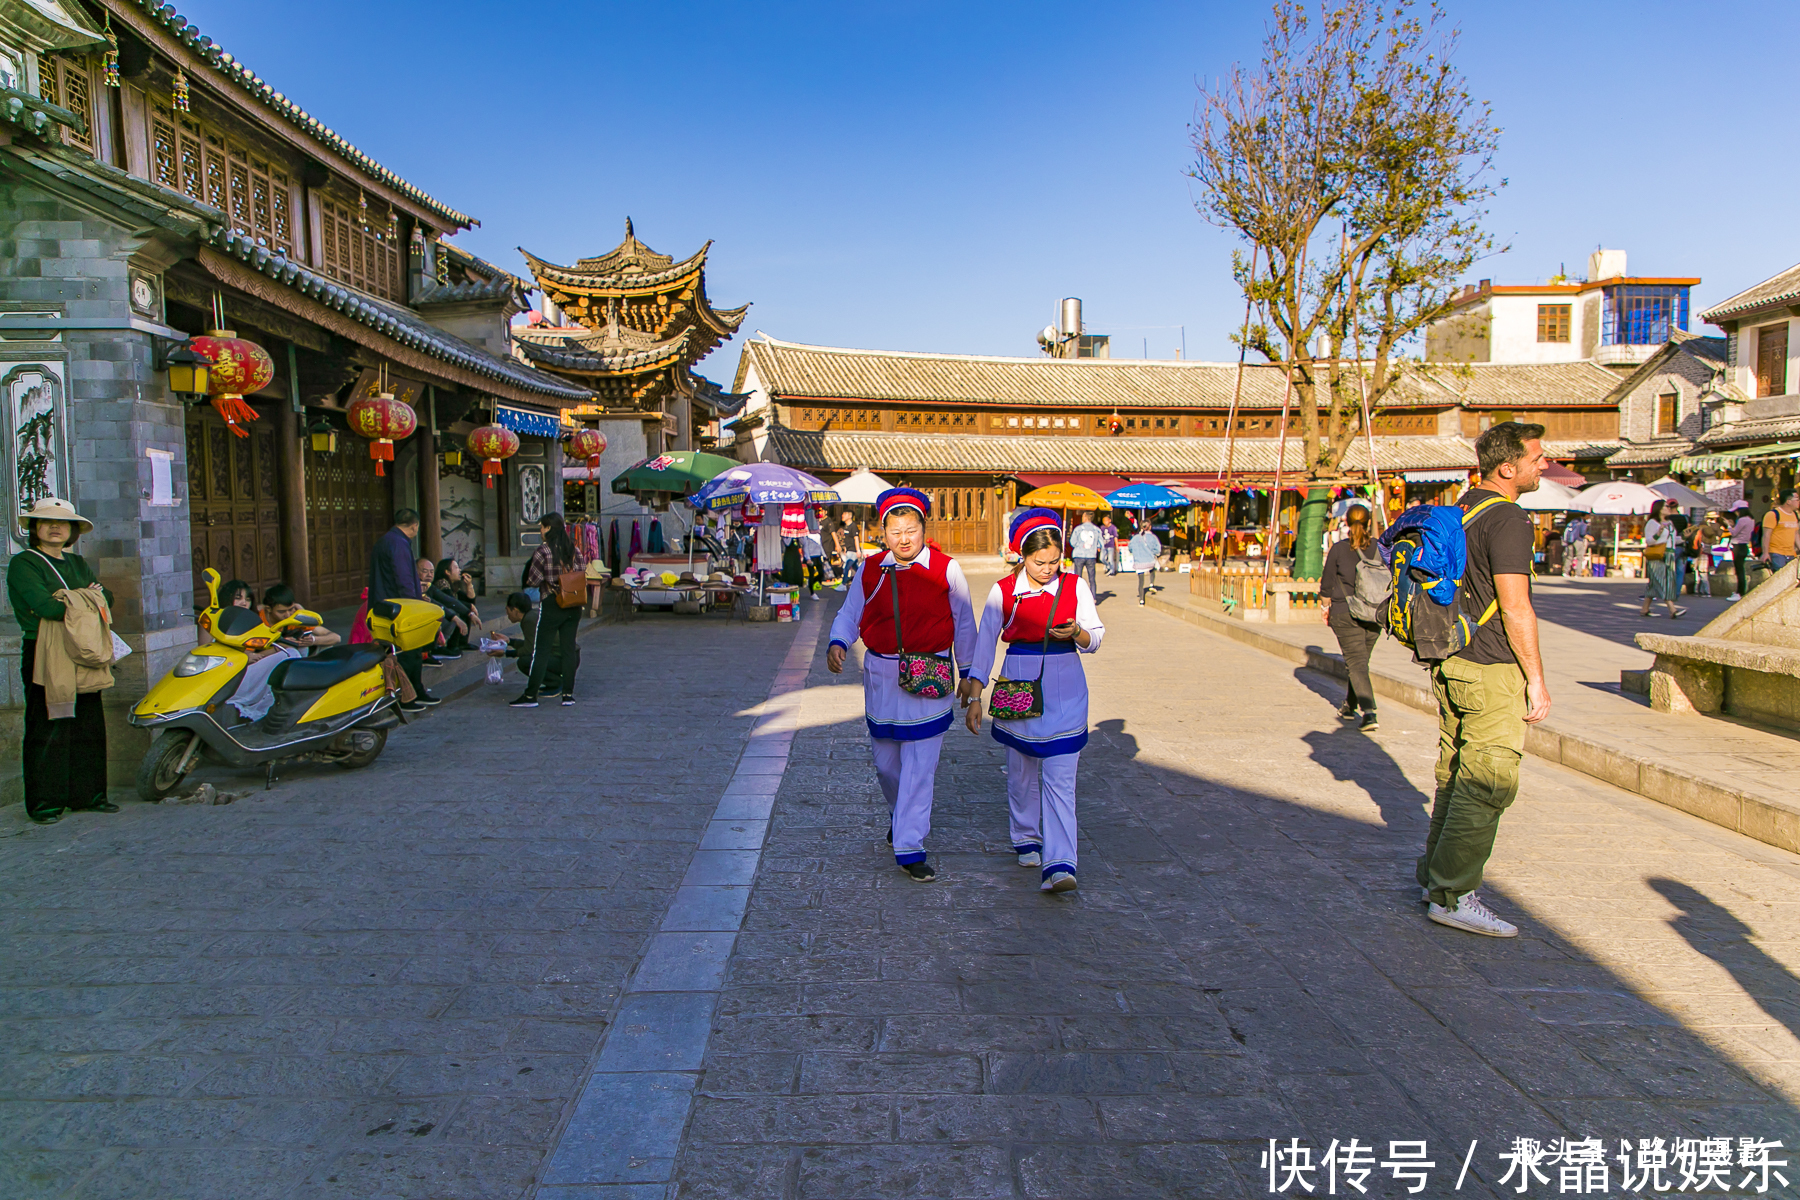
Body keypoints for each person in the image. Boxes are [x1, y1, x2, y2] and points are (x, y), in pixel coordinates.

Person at [1417, 422, 1551, 939]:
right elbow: (1515, 606)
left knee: (1455, 775)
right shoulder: (1510, 518)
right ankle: (1454, 895)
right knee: (1488, 781)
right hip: (1492, 666)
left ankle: (1436, 880)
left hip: (1453, 660)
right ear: (1508, 467)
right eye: (1538, 458)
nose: (1545, 465)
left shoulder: (1461, 510)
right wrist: (1535, 679)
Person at [826, 488, 976, 883]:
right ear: (883, 532)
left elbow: (964, 623)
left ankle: (910, 847)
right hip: (882, 678)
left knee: (919, 768)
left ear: (924, 529)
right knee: (886, 765)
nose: (904, 539)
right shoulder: (871, 568)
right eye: (895, 531)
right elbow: (850, 611)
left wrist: (970, 672)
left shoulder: (947, 569)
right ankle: (901, 815)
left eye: (911, 530)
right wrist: (838, 642)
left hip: (929, 676)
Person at [962, 510, 1104, 893]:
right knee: (1021, 770)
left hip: (1066, 685)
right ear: (1022, 556)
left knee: (1061, 778)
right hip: (1018, 683)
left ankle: (1061, 864)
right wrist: (975, 696)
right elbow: (985, 644)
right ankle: (1026, 836)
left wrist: (1077, 632)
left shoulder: (1075, 587)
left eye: (1054, 561)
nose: (1047, 569)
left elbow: (1096, 636)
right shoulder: (1003, 591)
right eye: (1039, 562)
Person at [7, 498, 117, 824]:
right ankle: (45, 803)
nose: (55, 527)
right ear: (34, 528)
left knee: (88, 723)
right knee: (49, 724)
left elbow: (107, 600)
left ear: (72, 531)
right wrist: (88, 597)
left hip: (83, 650)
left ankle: (89, 795)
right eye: (47, 521)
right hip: (45, 650)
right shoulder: (25, 563)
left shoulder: (78, 563)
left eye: (63, 523)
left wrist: (76, 599)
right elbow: (45, 607)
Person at [512, 512, 586, 708]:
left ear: (548, 528)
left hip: (553, 602)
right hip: (574, 603)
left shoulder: (543, 551)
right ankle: (568, 695)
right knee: (568, 648)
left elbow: (533, 580)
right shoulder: (573, 549)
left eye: (542, 527)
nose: (541, 531)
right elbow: (582, 573)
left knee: (541, 650)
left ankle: (530, 696)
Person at [1320, 505, 1382, 731]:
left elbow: (1326, 585)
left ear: (1346, 521)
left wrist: (1325, 607)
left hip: (1345, 613)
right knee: (1359, 662)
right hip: (1375, 614)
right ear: (1368, 521)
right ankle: (1349, 706)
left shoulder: (1338, 549)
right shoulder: (1381, 549)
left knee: (1356, 663)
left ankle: (1369, 713)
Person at [369, 508, 438, 711]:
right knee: (409, 652)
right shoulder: (398, 544)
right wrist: (415, 606)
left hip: (384, 604)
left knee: (402, 652)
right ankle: (408, 697)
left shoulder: (385, 540)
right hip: (399, 607)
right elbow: (404, 579)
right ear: (414, 525)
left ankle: (415, 691)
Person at [493, 591, 574, 695]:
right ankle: (556, 681)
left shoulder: (529, 620)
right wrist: (509, 641)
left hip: (562, 659)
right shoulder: (533, 614)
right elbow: (533, 644)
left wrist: (505, 653)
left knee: (524, 662)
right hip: (568, 657)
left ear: (515, 610)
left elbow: (529, 649)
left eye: (507, 609)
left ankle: (556, 683)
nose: (507, 613)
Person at [1640, 500, 1687, 620]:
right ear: (1659, 509)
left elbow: (1672, 540)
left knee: (1655, 583)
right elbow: (1650, 541)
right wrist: (1658, 533)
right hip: (1658, 554)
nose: (1668, 508)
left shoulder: (1669, 523)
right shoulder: (1652, 523)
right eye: (1666, 506)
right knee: (1662, 581)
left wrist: (1684, 537)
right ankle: (1672, 609)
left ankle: (1645, 609)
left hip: (1670, 553)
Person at [427, 559, 477, 654]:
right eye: (456, 567)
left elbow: (469, 601)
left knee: (464, 609)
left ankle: (462, 643)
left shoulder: (453, 584)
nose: (460, 570)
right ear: (447, 572)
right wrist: (470, 608)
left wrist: (469, 585)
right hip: (439, 616)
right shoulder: (441, 583)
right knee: (457, 611)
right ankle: (451, 645)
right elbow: (450, 602)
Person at [1762, 488, 1800, 573]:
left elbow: (1795, 534)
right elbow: (1766, 535)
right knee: (1780, 579)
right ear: (1788, 501)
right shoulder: (1773, 515)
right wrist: (1765, 553)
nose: (1799, 501)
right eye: (1797, 499)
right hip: (1776, 554)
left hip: (1790, 554)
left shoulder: (1794, 515)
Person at [1127, 519, 1162, 606]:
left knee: (1140, 582)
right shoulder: (1153, 537)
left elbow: (1130, 548)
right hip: (1149, 562)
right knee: (1154, 566)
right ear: (1149, 526)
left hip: (1138, 563)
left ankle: (1141, 600)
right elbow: (1158, 550)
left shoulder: (1135, 538)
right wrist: (1153, 553)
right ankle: (1151, 584)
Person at [1068, 511, 1104, 595]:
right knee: (1092, 578)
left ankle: (1077, 596)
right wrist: (1096, 546)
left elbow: (1072, 542)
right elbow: (1101, 543)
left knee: (1077, 578)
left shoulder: (1078, 529)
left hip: (1079, 554)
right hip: (1091, 555)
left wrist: (1079, 545)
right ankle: (1093, 597)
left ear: (1085, 518)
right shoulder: (1096, 530)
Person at [1729, 502, 1756, 600]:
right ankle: (1740, 591)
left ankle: (1739, 592)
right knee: (1741, 569)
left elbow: (1734, 533)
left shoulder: (1741, 520)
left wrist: (1729, 527)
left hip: (1738, 545)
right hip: (1744, 545)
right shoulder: (1751, 519)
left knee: (1739, 570)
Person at [832, 511, 861, 587]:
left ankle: (843, 584)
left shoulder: (853, 526)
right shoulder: (846, 527)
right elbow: (847, 539)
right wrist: (845, 548)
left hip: (853, 550)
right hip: (848, 550)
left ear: (849, 516)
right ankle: (863, 580)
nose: (842, 515)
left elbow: (856, 538)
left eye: (844, 514)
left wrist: (858, 550)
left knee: (847, 567)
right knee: (856, 568)